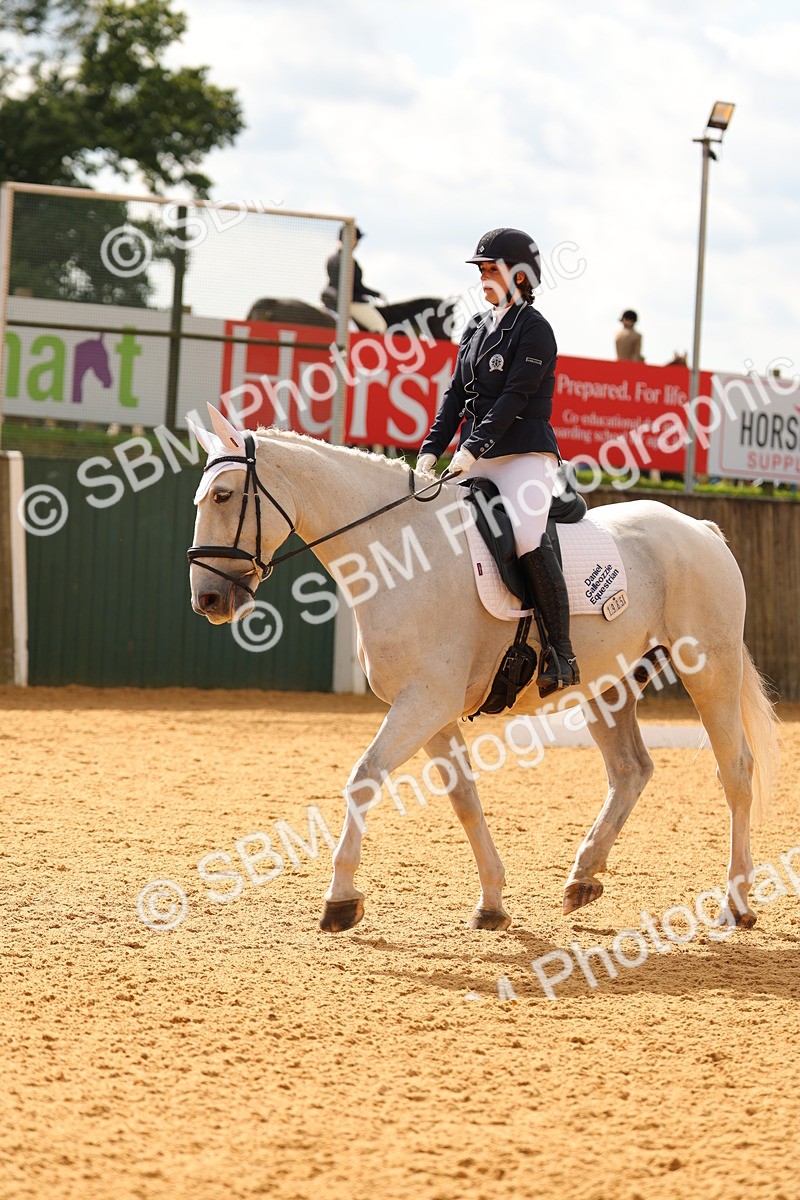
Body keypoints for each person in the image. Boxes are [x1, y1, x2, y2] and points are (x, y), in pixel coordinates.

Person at [417, 227, 579, 697]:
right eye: (482, 270)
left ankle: (561, 652)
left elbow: (514, 398)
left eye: (493, 270)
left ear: (521, 275)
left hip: (524, 455)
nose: (484, 278)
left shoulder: (535, 329)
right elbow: (454, 396)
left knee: (526, 536)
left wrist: (470, 449)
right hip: (477, 456)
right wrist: (431, 449)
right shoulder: (474, 328)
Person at [322, 225, 388, 334]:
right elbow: (357, 287)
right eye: (357, 239)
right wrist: (378, 294)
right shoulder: (349, 261)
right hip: (349, 302)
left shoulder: (331, 258)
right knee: (379, 325)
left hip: (330, 299)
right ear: (352, 240)